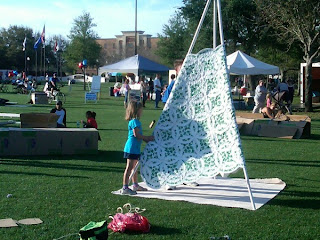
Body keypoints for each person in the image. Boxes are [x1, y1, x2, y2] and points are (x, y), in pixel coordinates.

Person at [121, 101, 154, 195]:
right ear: (137, 110)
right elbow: (136, 135)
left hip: (134, 147)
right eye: (141, 109)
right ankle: (125, 187)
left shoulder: (135, 121)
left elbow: (138, 135)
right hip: (131, 148)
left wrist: (146, 140)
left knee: (134, 167)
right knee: (129, 167)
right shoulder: (135, 122)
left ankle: (135, 185)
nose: (142, 111)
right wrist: (147, 138)